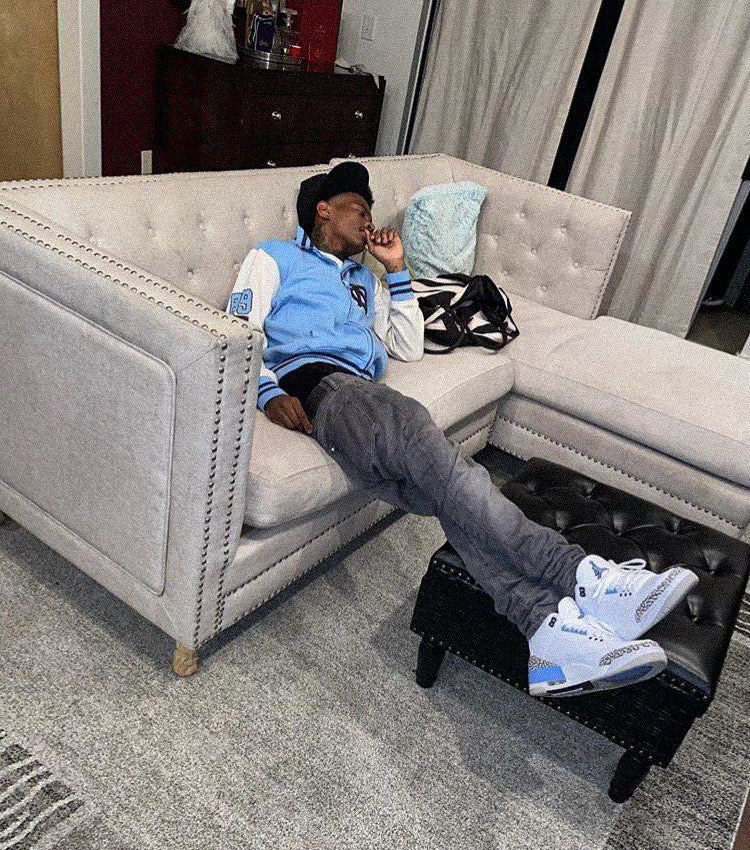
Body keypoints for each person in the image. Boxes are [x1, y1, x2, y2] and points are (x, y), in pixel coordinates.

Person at [227, 161, 699, 698]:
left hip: (362, 398)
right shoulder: (275, 257)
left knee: (452, 489)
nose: (369, 221)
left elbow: (405, 347)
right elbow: (239, 329)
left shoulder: (366, 282)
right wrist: (268, 391)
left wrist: (396, 270)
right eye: (359, 209)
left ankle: (548, 631)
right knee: (431, 443)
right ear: (324, 209)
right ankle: (583, 576)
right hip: (326, 392)